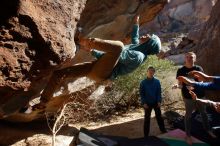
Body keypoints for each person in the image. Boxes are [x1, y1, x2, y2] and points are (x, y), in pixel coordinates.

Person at [32, 15, 163, 109]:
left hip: (103, 73)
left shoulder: (138, 56)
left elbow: (116, 54)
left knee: (119, 46)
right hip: (95, 69)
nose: (146, 35)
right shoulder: (137, 48)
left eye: (149, 37)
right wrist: (136, 23)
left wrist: (91, 47)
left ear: (149, 45)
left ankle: (84, 40)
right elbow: (135, 37)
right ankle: (43, 102)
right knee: (59, 74)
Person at [173, 52, 215, 145]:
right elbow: (180, 84)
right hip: (188, 97)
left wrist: (196, 84)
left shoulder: (198, 69)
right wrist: (177, 86)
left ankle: (208, 130)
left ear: (194, 59)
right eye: (187, 57)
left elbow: (202, 81)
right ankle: (188, 135)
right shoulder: (180, 70)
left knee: (203, 113)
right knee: (188, 116)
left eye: (191, 57)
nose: (189, 59)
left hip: (200, 95)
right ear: (185, 59)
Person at [139, 66, 166, 138]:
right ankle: (146, 135)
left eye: (152, 71)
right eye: (149, 71)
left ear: (154, 72)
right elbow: (142, 94)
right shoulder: (143, 82)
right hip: (147, 103)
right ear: (147, 72)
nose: (151, 72)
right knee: (147, 119)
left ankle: (163, 130)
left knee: (159, 117)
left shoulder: (157, 81)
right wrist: (143, 103)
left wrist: (159, 101)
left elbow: (159, 92)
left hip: (156, 102)